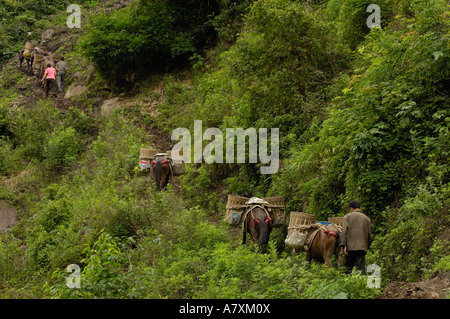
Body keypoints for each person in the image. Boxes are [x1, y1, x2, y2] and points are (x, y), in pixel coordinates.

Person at [340, 200, 371, 275]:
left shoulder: (347, 217)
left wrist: (344, 245)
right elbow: (369, 234)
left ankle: (348, 285)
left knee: (348, 268)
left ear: (351, 208)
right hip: (362, 247)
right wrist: (368, 246)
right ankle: (361, 285)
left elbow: (344, 232)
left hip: (350, 247)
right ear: (360, 208)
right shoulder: (367, 219)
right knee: (361, 269)